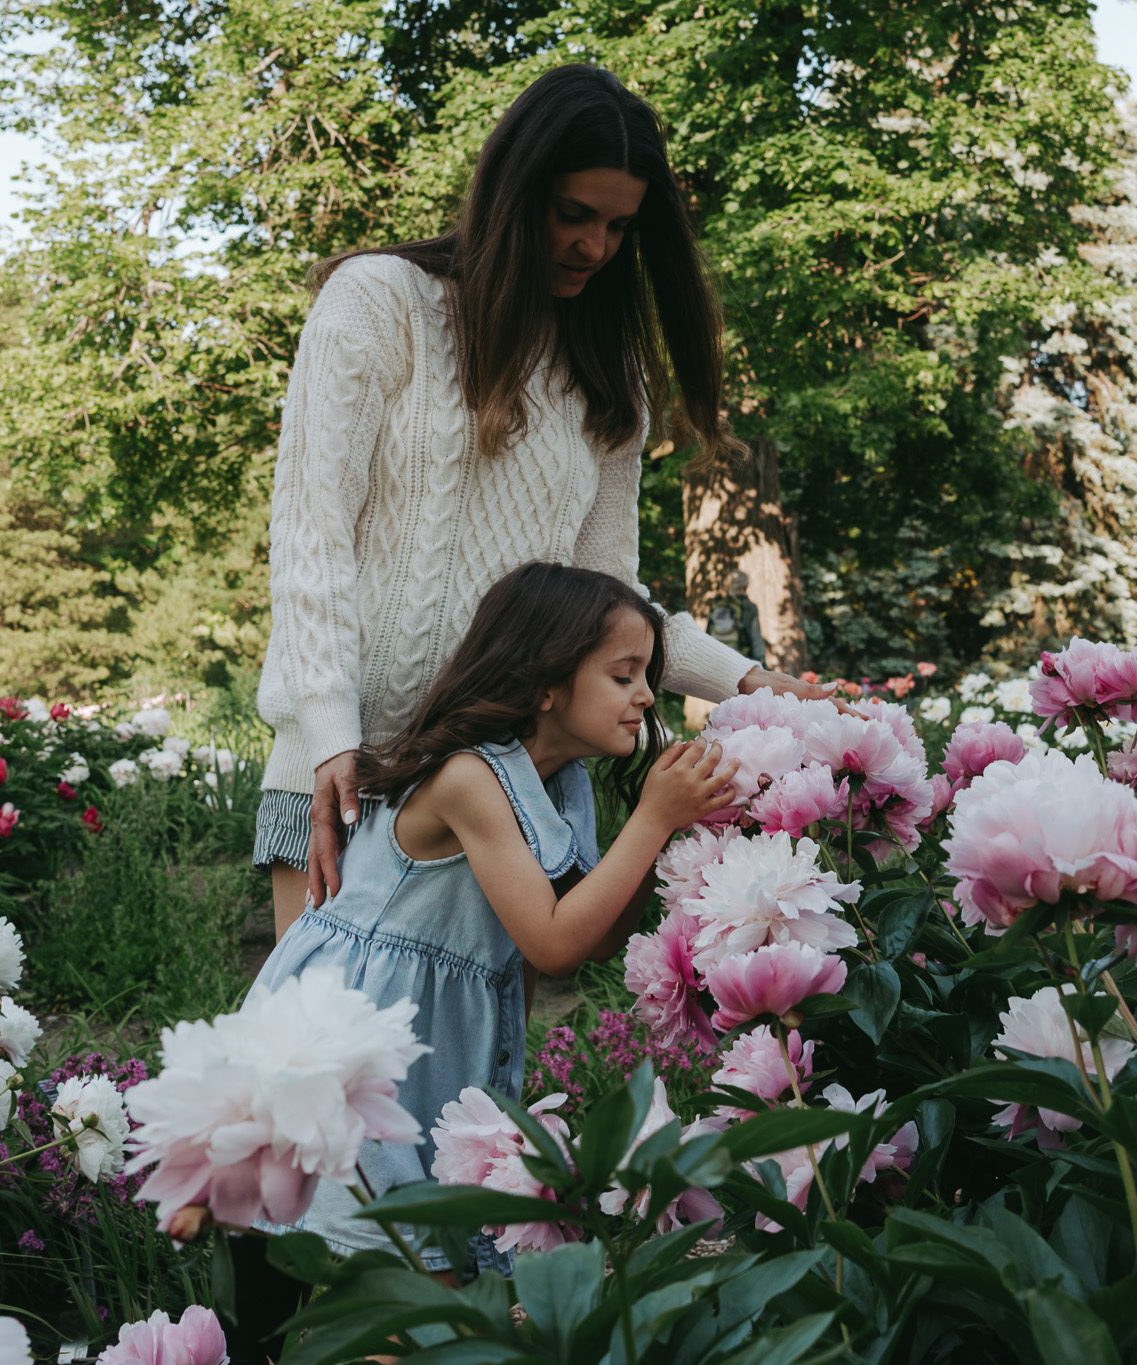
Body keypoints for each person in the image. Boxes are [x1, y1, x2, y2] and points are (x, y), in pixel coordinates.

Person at [254, 64, 826, 936]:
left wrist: (751, 681)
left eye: (619, 227)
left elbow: (609, 611)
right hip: (347, 771)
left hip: (518, 788)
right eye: (574, 215)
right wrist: (332, 734)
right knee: (316, 1062)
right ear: (516, 195)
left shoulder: (608, 376)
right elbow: (310, 539)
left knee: (479, 1065)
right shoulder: (380, 304)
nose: (596, 248)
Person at [229, 564, 740, 1359]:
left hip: (431, 1054)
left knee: (435, 1294)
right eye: (623, 674)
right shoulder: (469, 776)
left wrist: (663, 831)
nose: (646, 696)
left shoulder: (562, 782)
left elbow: (594, 935)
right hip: (346, 1052)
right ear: (545, 680)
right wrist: (651, 818)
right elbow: (553, 941)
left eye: (649, 676)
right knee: (398, 1300)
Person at [705, 569, 767, 664]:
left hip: (717, 660)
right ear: (745, 586)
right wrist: (762, 663)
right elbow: (756, 639)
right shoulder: (749, 607)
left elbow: (708, 635)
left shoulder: (717, 605)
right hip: (740, 661)